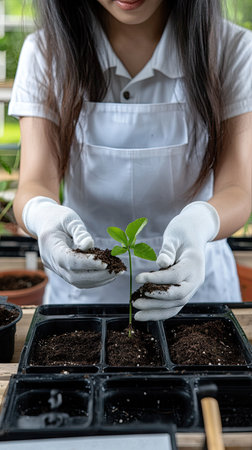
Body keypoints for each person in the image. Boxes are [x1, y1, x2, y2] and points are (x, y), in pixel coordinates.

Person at [9, 0, 252, 320]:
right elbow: (34, 182)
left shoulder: (232, 49)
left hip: (197, 292)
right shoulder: (45, 52)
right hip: (83, 299)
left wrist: (201, 222)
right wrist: (43, 216)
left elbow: (238, 188)